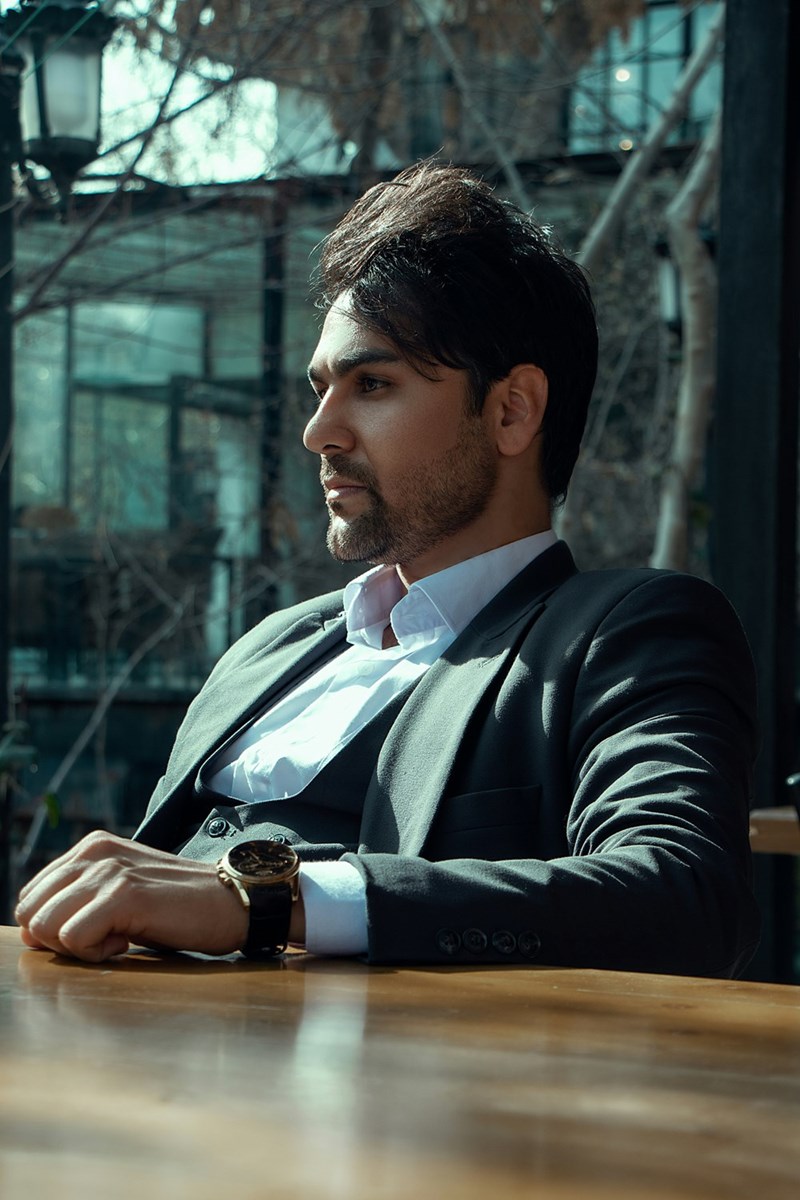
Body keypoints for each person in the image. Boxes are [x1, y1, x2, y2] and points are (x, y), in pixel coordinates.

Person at [15, 162, 759, 976]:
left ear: (512, 411)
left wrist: (270, 901)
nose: (319, 432)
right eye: (321, 387)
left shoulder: (625, 634)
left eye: (372, 383)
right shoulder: (272, 647)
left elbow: (683, 894)